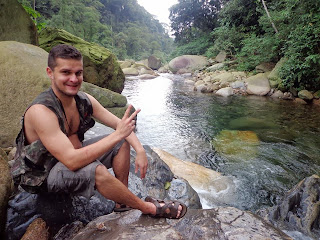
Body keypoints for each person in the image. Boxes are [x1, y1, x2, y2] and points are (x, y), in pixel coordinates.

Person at [10, 44, 187, 219]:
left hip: (68, 159)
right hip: (43, 177)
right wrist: (118, 134)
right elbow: (72, 161)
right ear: (50, 73)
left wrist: (140, 150)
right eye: (66, 72)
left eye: (78, 73)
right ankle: (147, 208)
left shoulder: (83, 100)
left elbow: (120, 125)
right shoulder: (41, 111)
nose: (74, 79)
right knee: (97, 170)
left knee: (121, 142)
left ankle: (122, 203)